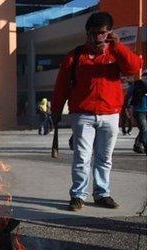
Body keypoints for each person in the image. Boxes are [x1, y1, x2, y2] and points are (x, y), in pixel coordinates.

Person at [51, 12, 142, 211]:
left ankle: (102, 193)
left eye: (101, 33)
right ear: (87, 33)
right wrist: (56, 110)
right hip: (83, 114)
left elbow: (134, 67)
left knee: (104, 158)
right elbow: (61, 86)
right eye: (92, 34)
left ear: (109, 33)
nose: (96, 38)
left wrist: (117, 46)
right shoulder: (75, 56)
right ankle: (78, 195)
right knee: (82, 157)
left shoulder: (115, 53)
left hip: (110, 114)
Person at [125, 72, 147, 154]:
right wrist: (127, 106)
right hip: (139, 110)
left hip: (142, 110)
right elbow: (128, 95)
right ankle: (144, 145)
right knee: (144, 128)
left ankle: (137, 145)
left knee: (144, 129)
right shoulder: (136, 85)